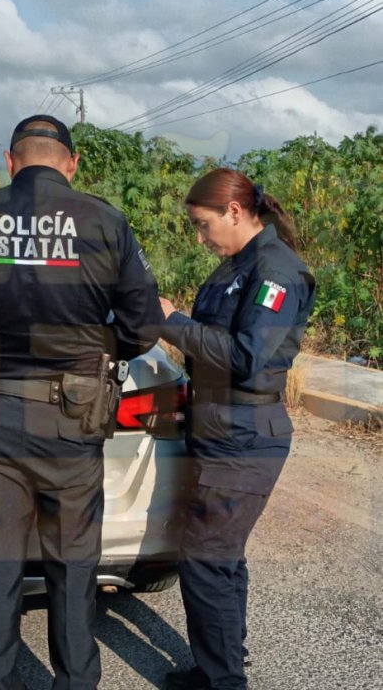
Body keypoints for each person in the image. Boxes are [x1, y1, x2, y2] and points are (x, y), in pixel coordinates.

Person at [0, 114, 163, 690]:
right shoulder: (105, 222)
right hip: (75, 416)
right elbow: (143, 325)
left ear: (11, 161)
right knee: (74, 563)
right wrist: (95, 348)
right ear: (70, 164)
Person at [158, 168, 316, 690]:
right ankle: (217, 669)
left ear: (234, 211)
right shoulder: (238, 265)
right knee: (221, 560)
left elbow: (248, 357)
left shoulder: (276, 271)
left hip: (247, 435)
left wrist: (173, 321)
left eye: (204, 226)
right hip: (221, 429)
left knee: (204, 560)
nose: (201, 239)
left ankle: (223, 681)